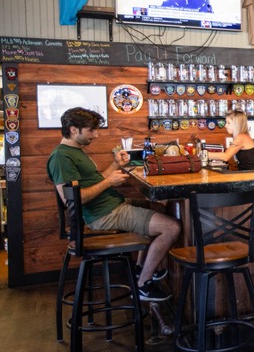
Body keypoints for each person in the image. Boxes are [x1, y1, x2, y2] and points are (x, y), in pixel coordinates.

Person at [47, 108, 180, 302]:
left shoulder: (75, 151)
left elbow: (94, 181)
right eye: (91, 130)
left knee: (159, 205)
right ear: (74, 129)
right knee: (172, 227)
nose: (96, 134)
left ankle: (140, 269)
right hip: (103, 214)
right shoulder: (61, 157)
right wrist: (109, 182)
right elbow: (73, 200)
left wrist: (115, 165)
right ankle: (144, 284)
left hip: (112, 204)